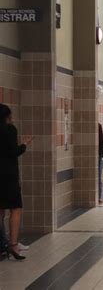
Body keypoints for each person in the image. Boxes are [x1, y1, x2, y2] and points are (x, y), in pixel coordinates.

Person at [0, 104, 33, 260]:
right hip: (8, 175)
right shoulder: (10, 129)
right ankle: (13, 245)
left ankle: (1, 244)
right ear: (7, 116)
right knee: (15, 208)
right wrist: (24, 145)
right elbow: (13, 152)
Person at [98, 123, 103, 204]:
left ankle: (99, 197)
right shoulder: (98, 125)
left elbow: (101, 140)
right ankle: (99, 198)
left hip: (98, 154)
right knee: (98, 176)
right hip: (98, 154)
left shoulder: (98, 125)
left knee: (98, 177)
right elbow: (101, 140)